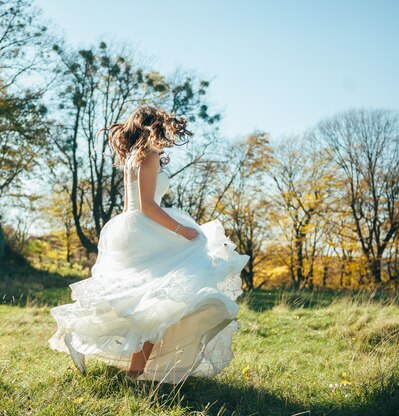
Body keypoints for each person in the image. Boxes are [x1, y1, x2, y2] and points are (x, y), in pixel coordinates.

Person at [48, 105, 250, 384]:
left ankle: (138, 369)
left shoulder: (132, 156)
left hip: (130, 228)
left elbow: (132, 204)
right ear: (154, 126)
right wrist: (182, 231)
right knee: (169, 287)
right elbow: (147, 206)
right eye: (163, 126)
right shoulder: (149, 156)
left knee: (146, 301)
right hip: (143, 227)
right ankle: (136, 371)